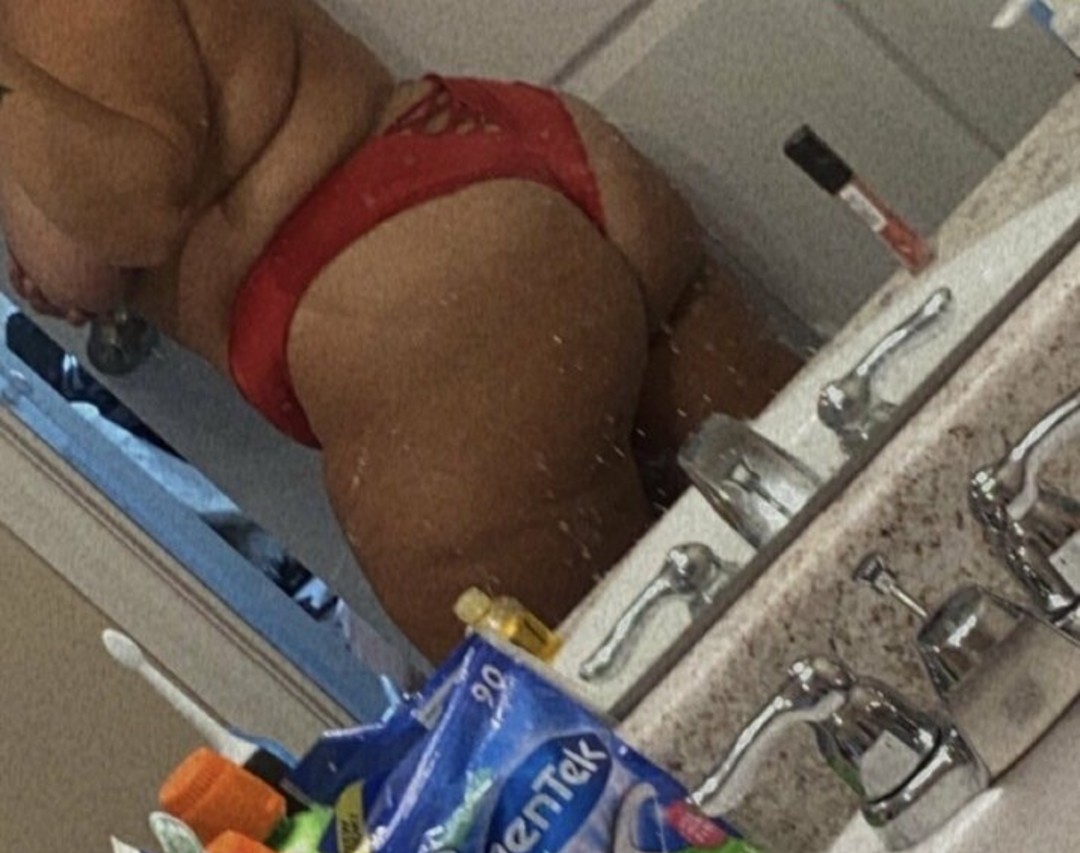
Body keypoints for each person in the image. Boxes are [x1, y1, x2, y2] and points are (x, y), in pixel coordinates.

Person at [0, 0, 801, 658]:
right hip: (467, 167)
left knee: (645, 713)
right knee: (837, 537)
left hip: (420, 319)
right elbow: (87, 229)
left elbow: (136, 213)